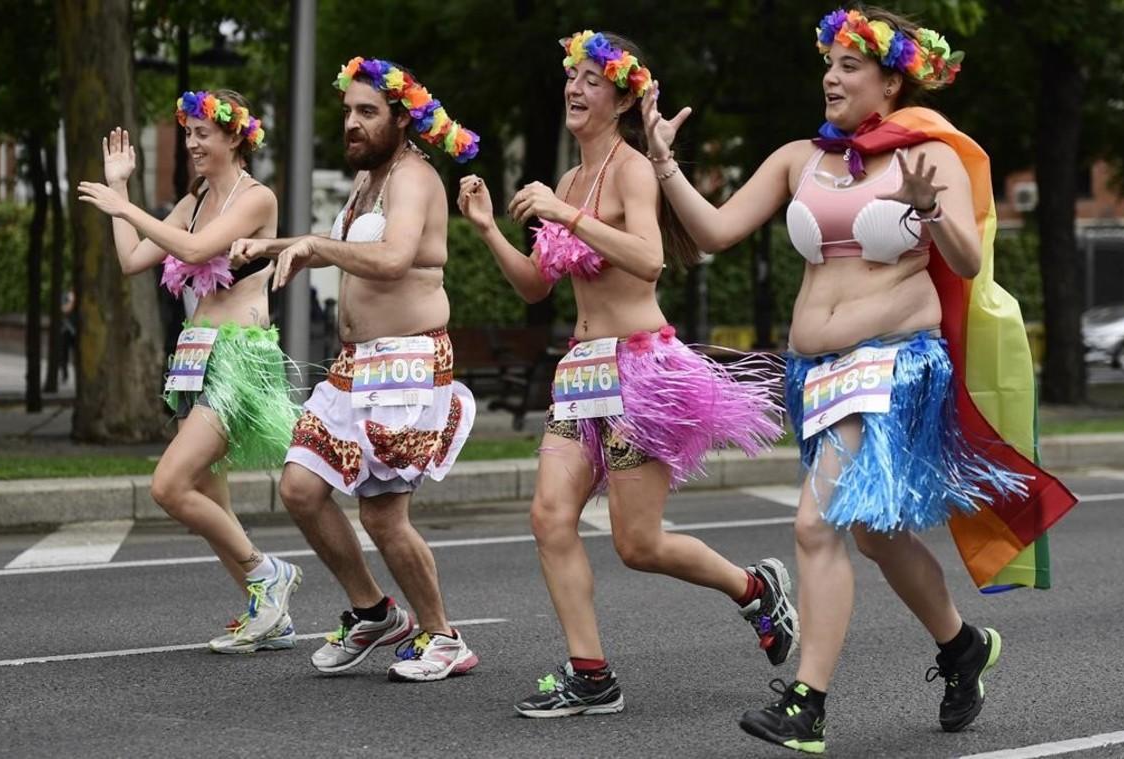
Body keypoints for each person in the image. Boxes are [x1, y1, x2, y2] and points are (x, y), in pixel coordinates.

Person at [642, 7, 1078, 752]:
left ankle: (806, 705)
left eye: (849, 66)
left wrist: (931, 209)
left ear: (891, 79)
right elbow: (714, 232)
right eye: (829, 63)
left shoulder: (924, 154)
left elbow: (968, 263)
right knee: (875, 533)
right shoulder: (799, 158)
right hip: (816, 370)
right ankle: (961, 644)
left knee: (815, 524)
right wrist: (663, 165)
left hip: (894, 362)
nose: (831, 77)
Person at [457, 30, 796, 718]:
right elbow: (534, 288)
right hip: (580, 374)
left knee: (637, 544)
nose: (575, 89)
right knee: (549, 515)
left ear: (619, 96)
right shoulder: (570, 180)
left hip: (641, 369)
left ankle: (755, 589)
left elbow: (648, 259)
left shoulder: (632, 169)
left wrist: (566, 214)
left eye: (590, 79)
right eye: (571, 77)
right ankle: (592, 673)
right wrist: (490, 228)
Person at [230, 58, 481, 682]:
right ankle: (373, 611)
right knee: (301, 488)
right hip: (356, 367)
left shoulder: (415, 176)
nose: (352, 123)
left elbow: (393, 258)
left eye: (367, 112)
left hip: (408, 365)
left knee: (382, 516)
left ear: (402, 118)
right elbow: (351, 248)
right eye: (349, 112)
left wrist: (312, 247)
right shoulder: (370, 181)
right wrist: (281, 246)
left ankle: (444, 637)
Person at [77, 90, 303, 655]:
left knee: (169, 485)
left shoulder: (257, 199)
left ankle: (267, 571)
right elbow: (133, 259)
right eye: (189, 132)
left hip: (239, 359)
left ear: (235, 137)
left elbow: (199, 251)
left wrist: (126, 208)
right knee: (211, 499)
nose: (193, 143)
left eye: (204, 133)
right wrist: (122, 187)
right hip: (195, 355)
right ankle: (268, 613)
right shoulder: (197, 198)